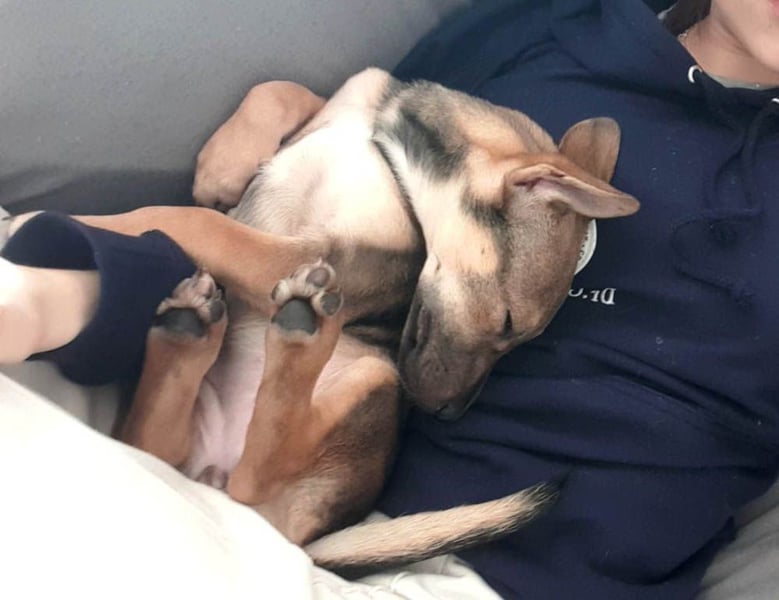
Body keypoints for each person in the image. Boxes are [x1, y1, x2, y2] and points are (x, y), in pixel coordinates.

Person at [1, 1, 777, 599]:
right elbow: (360, 142)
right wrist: (275, 106)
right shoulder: (548, 33)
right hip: (270, 420)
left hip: (510, 570)